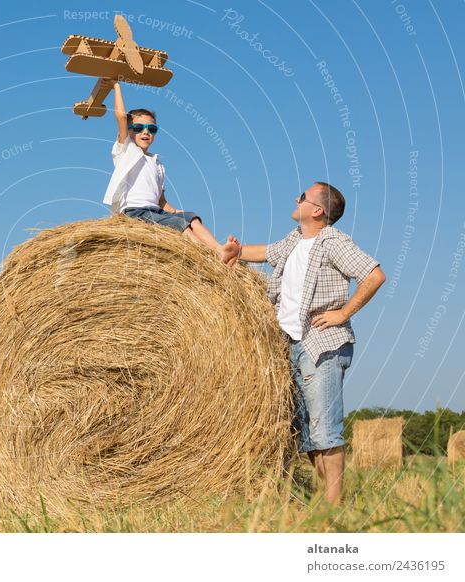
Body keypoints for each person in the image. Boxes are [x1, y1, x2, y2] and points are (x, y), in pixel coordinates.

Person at [239, 182, 386, 504]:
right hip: (291, 344)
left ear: (317, 210)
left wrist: (344, 312)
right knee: (306, 434)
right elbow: (265, 253)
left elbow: (374, 275)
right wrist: (230, 251)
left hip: (321, 345)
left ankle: (334, 509)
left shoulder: (334, 242)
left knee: (324, 429)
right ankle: (326, 501)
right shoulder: (295, 240)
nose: (296, 199)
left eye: (303, 197)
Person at [101, 79, 240, 264]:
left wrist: (174, 210)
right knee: (178, 225)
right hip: (134, 213)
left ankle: (218, 250)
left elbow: (160, 199)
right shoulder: (126, 151)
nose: (145, 132)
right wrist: (115, 86)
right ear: (129, 131)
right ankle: (205, 260)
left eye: (151, 128)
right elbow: (120, 116)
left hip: (156, 211)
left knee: (191, 219)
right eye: (138, 128)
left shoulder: (157, 163)